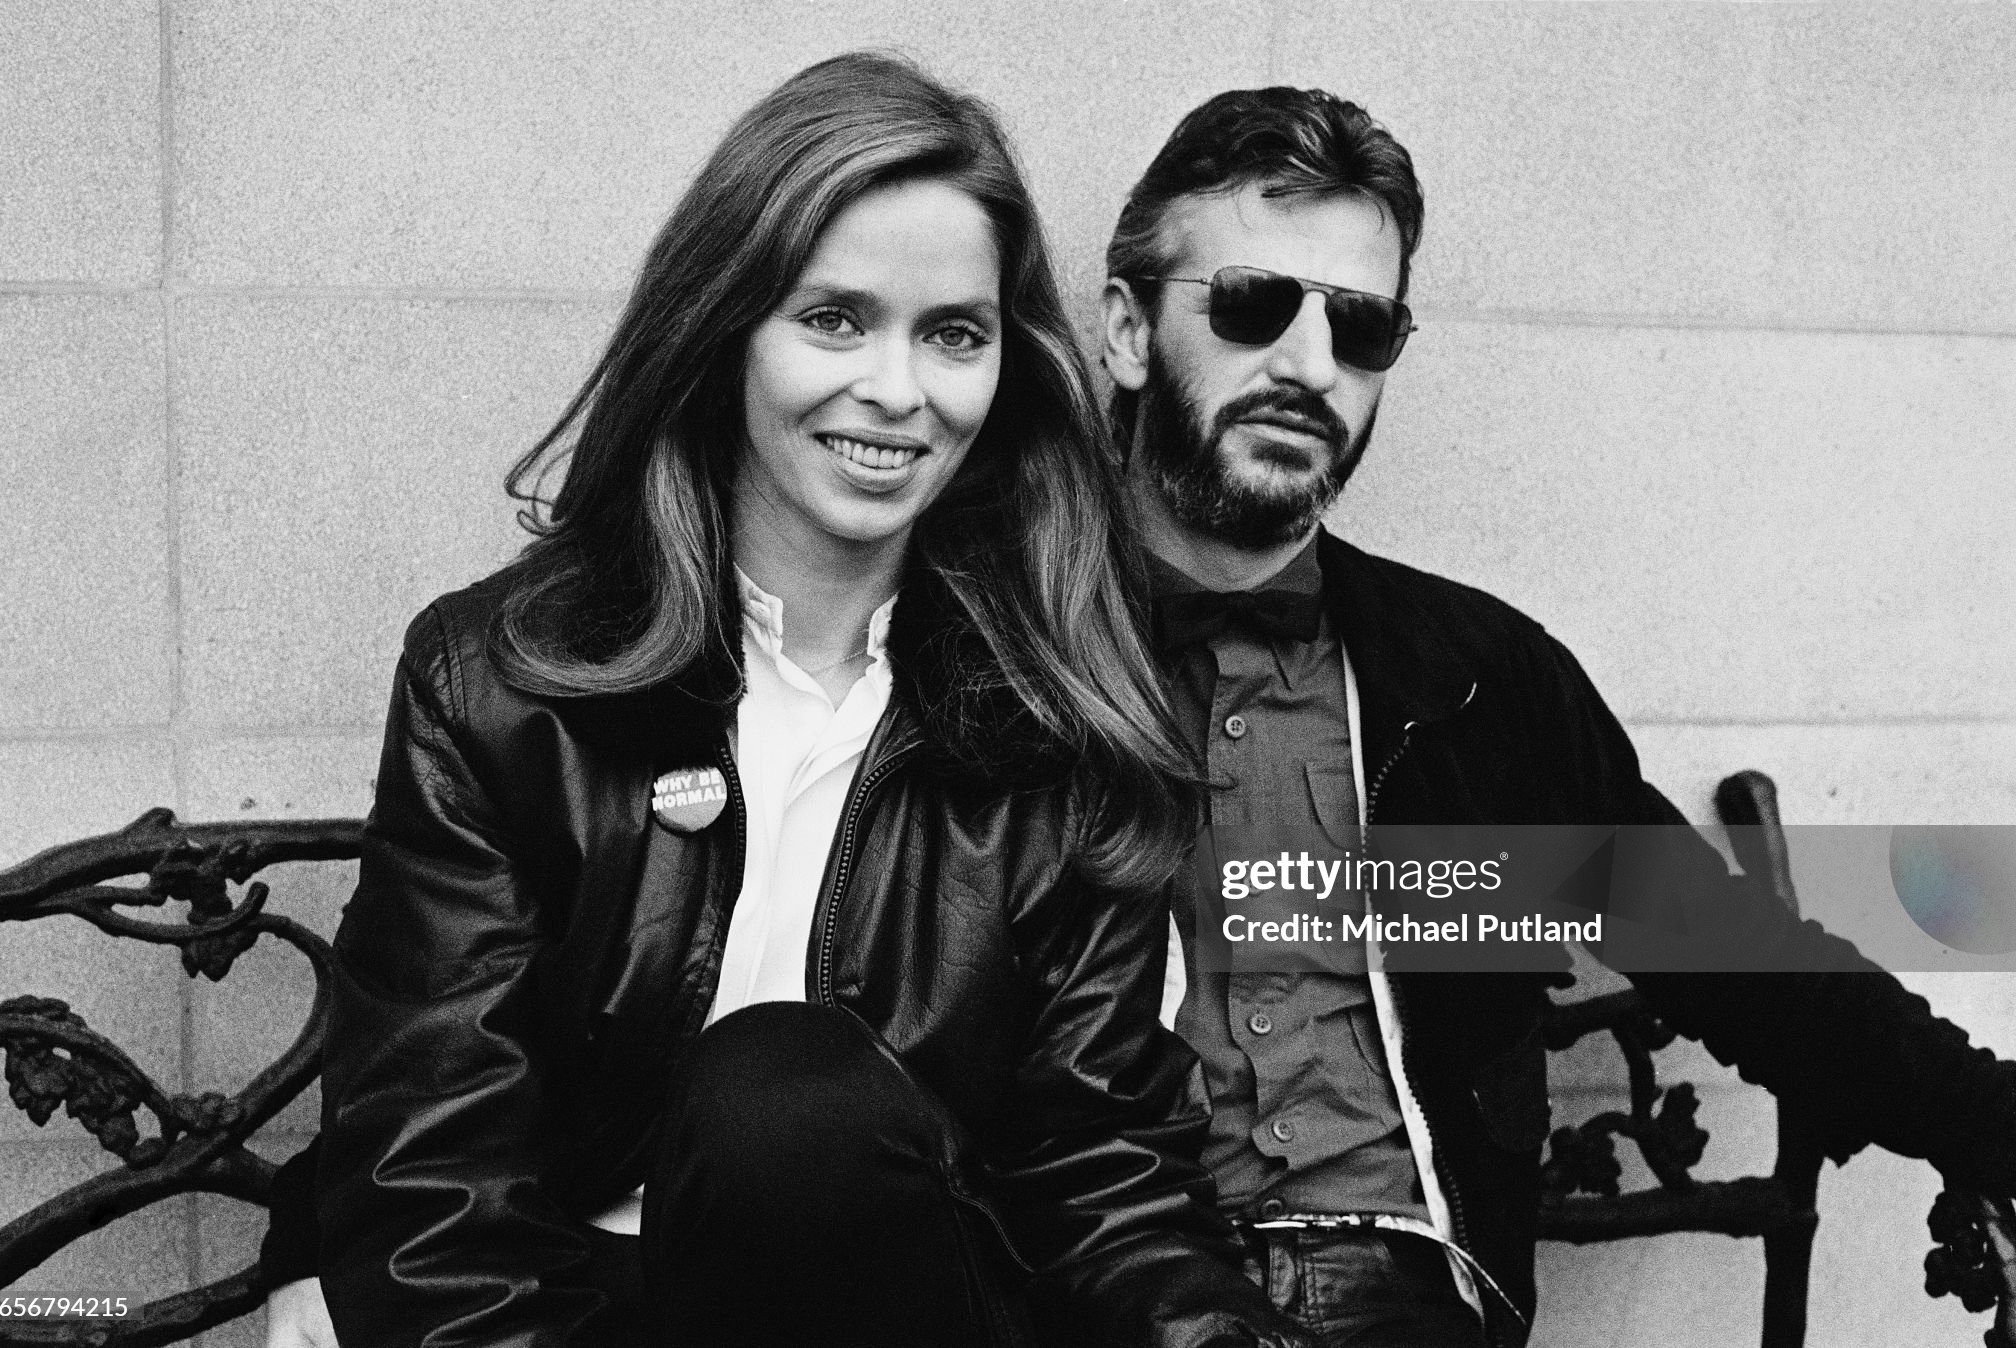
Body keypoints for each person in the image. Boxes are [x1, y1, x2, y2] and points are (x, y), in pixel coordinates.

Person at [262, 53, 1315, 1348]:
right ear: (729, 327)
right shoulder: (502, 685)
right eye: (834, 319)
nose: (897, 389)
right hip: (576, 1315)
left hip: (910, 1309)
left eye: (953, 334)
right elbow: (430, 1171)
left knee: (791, 1101)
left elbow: (1098, 1167)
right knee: (776, 1091)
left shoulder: (1057, 717)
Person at [1098, 84, 2016, 1347]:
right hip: (1098, 1274)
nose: (1309, 364)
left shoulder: (1471, 683)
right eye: (1253, 304)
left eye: (1359, 328)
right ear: (1125, 331)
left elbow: (1723, 948)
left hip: (1400, 1288)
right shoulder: (997, 656)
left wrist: (1990, 1121)